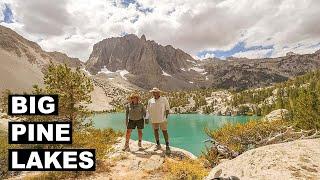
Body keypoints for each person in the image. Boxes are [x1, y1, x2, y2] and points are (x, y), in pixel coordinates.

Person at [147, 87, 171, 154]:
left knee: (164, 132)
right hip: (154, 119)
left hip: (162, 119)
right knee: (156, 131)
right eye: (153, 92)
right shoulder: (150, 100)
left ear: (159, 93)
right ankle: (158, 145)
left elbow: (167, 109)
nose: (154, 93)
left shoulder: (164, 99)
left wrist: (165, 117)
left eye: (155, 92)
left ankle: (167, 146)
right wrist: (147, 118)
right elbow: (148, 110)